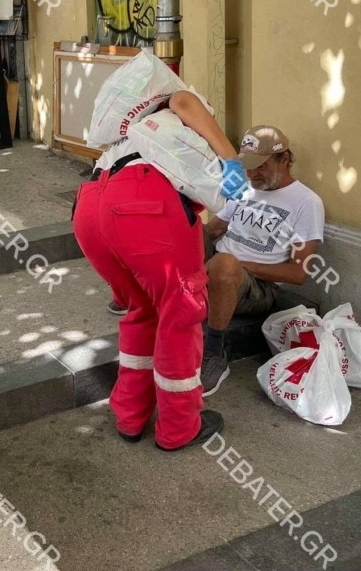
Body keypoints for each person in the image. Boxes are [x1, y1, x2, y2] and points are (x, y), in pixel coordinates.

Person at [73, 87, 247, 451]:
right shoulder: (172, 108)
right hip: (145, 206)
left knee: (142, 312)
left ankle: (130, 417)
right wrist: (232, 159)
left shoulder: (132, 134)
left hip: (91, 206)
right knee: (180, 317)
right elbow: (183, 99)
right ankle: (179, 427)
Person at [200, 125, 325, 396]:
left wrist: (238, 265)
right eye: (249, 167)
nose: (253, 174)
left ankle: (214, 352)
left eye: (261, 166)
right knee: (183, 225)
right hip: (220, 263)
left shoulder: (306, 202)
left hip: (257, 287)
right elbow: (213, 230)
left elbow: (298, 273)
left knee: (224, 265)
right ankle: (137, 295)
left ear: (284, 159)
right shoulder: (246, 187)